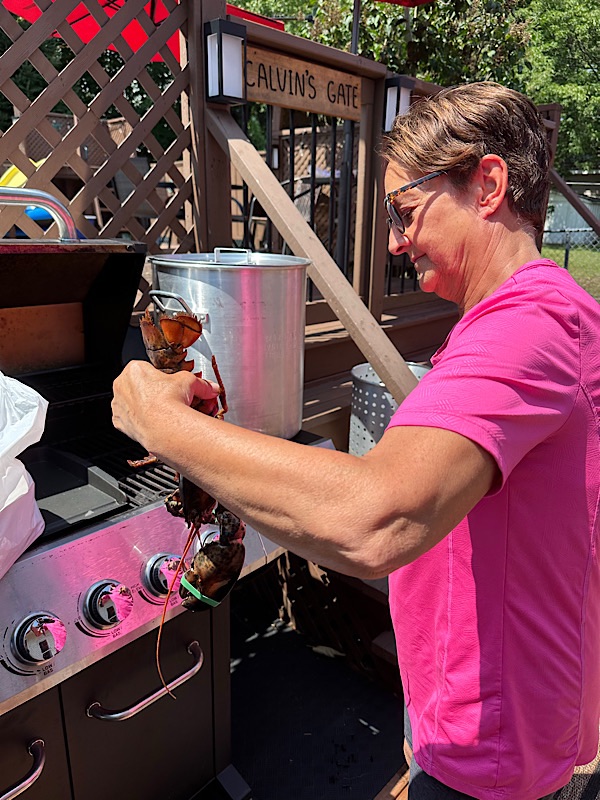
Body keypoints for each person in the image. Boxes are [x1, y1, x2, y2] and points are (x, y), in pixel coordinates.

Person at [112, 82, 600, 799]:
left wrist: (160, 423)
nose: (396, 242)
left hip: (489, 744)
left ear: (488, 186)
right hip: (482, 704)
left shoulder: (526, 328)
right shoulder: (538, 314)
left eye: (404, 211)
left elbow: (376, 519)